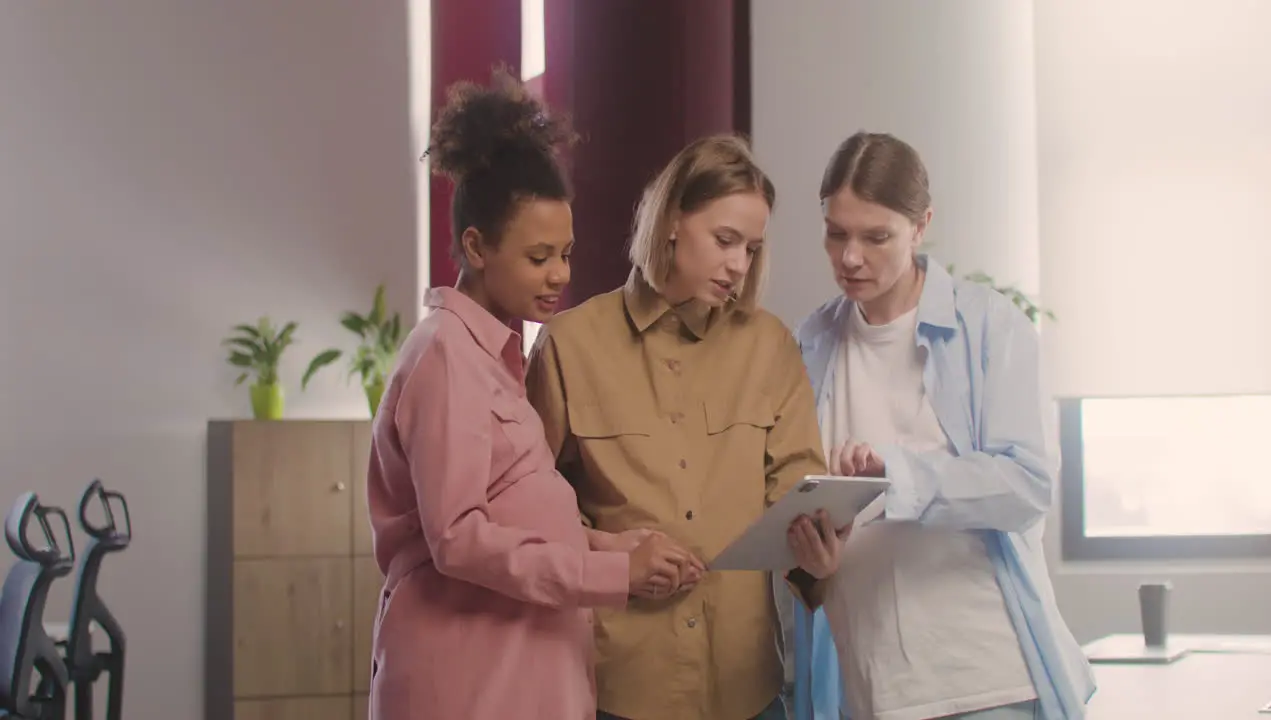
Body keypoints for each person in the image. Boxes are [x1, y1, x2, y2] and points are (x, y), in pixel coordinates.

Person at [365, 68, 696, 720]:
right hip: (470, 677)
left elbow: (516, 516)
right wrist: (612, 575)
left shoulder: (496, 359)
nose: (560, 276)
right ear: (476, 247)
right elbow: (459, 537)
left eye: (567, 254)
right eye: (539, 256)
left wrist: (612, 545)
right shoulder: (446, 358)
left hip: (519, 669)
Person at [526, 134, 847, 720]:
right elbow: (531, 509)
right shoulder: (570, 346)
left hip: (746, 688)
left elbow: (799, 492)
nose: (737, 264)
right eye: (724, 240)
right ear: (672, 221)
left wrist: (817, 559)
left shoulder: (770, 348)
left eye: (751, 248)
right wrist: (612, 556)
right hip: (618, 687)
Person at [788, 131, 1096, 720]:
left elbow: (1027, 485)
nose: (851, 257)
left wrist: (895, 475)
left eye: (876, 237)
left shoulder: (989, 327)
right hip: (866, 688)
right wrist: (812, 559)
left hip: (985, 681)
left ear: (921, 224)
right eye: (836, 233)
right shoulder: (810, 342)